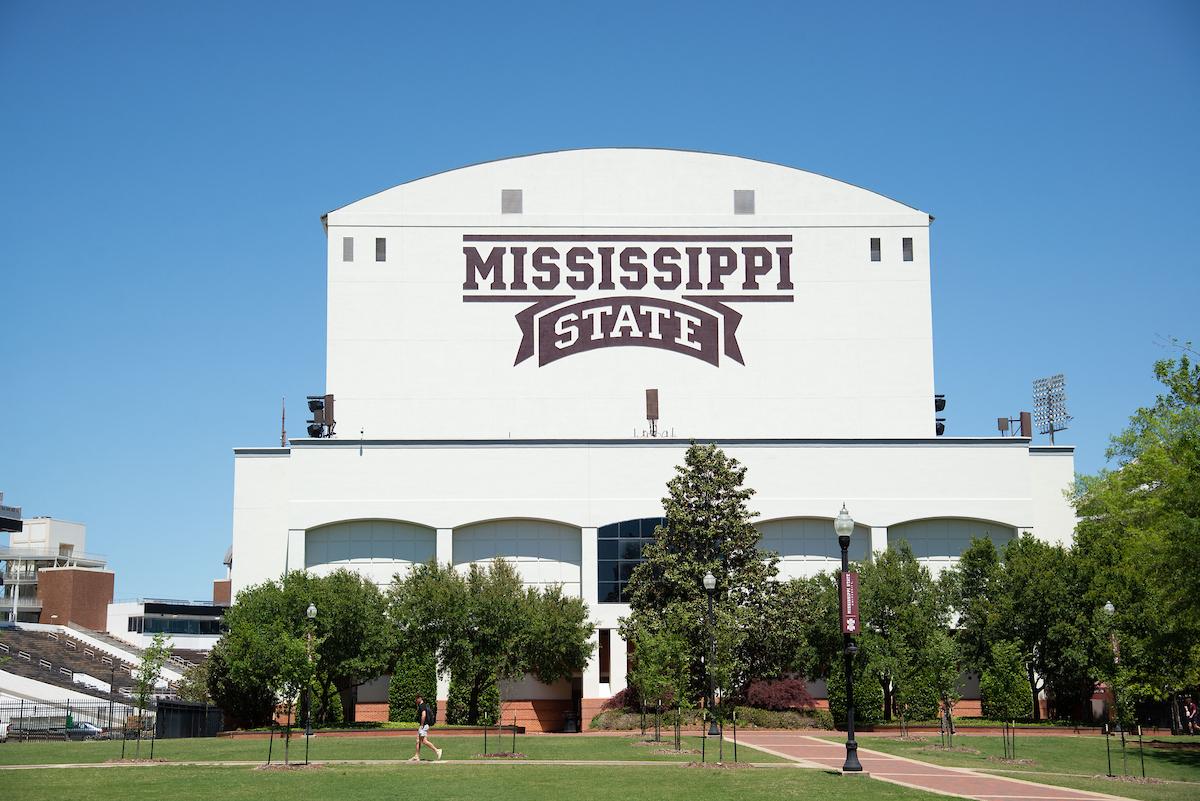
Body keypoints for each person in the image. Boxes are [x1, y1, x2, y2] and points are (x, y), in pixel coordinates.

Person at [410, 694, 442, 762]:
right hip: (424, 725)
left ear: (420, 698)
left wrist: (422, 725)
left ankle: (437, 750)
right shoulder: (422, 705)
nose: (415, 701)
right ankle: (416, 756)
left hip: (424, 725)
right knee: (418, 740)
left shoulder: (422, 706)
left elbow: (423, 715)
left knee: (423, 741)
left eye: (416, 699)